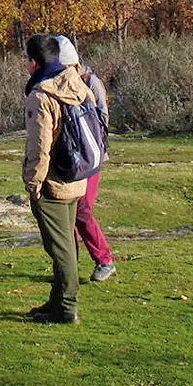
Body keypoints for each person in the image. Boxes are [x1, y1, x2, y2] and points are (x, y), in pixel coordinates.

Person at [22, 34, 93, 324]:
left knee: (60, 249)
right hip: (76, 175)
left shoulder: (40, 95)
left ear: (33, 62)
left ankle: (66, 307)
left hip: (52, 182)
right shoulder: (77, 84)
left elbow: (39, 147)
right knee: (66, 245)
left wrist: (33, 183)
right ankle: (57, 301)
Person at [56, 35, 116, 282]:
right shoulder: (55, 85)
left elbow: (102, 121)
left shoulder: (91, 83)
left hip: (89, 158)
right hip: (69, 159)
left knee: (81, 210)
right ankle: (69, 267)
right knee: (69, 213)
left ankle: (104, 260)